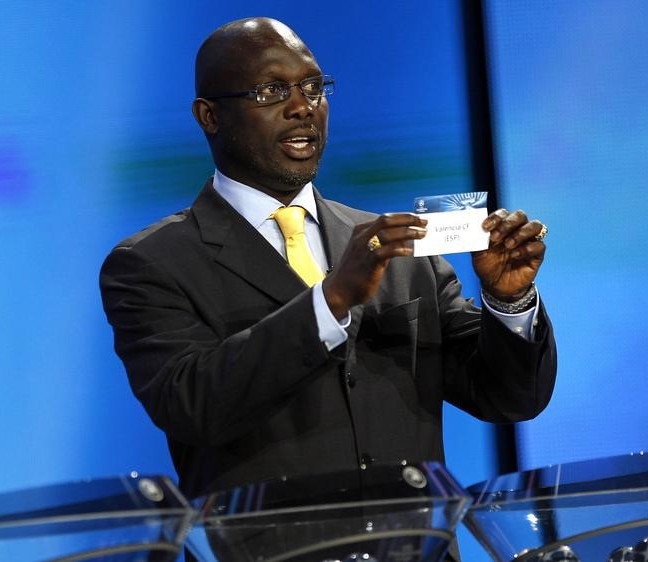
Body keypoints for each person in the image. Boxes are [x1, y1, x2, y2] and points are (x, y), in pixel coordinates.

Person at [99, 17, 557, 501]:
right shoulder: (151, 263)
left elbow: (509, 396)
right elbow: (193, 406)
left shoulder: (400, 252)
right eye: (272, 91)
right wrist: (331, 299)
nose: (302, 107)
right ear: (209, 116)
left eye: (314, 87)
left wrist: (509, 301)